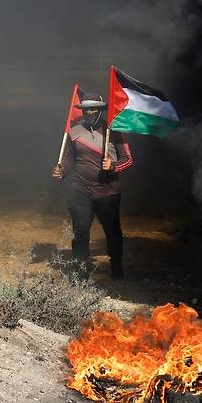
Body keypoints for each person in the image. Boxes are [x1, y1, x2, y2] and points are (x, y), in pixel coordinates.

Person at [52, 93, 133, 279]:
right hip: (80, 190)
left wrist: (114, 166)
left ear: (101, 109)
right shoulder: (74, 131)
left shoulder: (114, 130)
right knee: (80, 232)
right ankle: (80, 273)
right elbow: (70, 158)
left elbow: (128, 159)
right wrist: (62, 170)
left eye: (93, 108)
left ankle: (116, 267)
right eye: (86, 109)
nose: (90, 112)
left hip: (108, 192)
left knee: (112, 232)